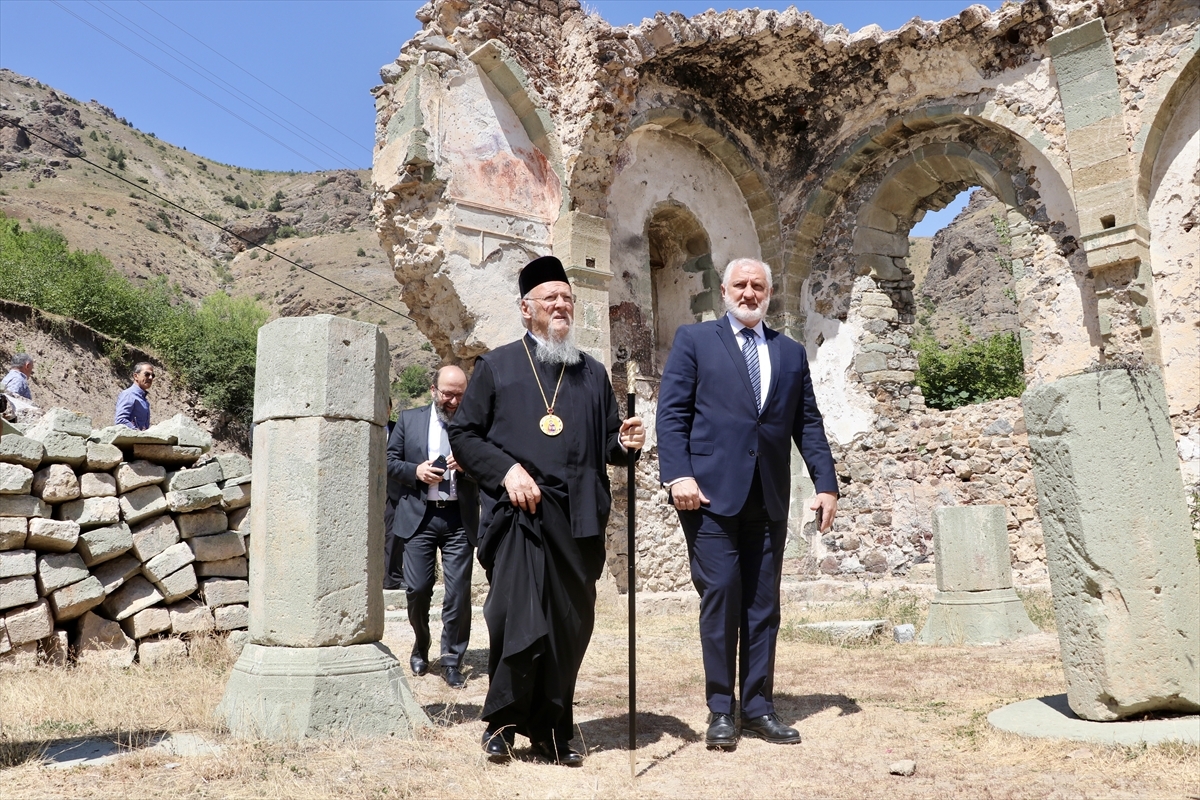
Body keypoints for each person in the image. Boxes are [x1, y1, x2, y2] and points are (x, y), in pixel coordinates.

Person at [448, 255, 645, 766]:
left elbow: (610, 447)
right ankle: (502, 725)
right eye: (550, 298)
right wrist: (506, 471)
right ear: (526, 308)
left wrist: (626, 443)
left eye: (567, 300)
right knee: (515, 618)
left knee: (568, 625)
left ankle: (554, 728)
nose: (561, 306)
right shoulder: (497, 367)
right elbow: (464, 436)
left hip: (578, 518)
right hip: (520, 516)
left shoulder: (593, 374)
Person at [657, 257, 838, 750]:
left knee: (763, 606)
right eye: (741, 285)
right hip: (709, 497)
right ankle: (721, 709)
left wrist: (826, 484)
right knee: (721, 597)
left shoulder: (790, 352)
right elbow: (671, 414)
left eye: (759, 286)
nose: (749, 293)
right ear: (724, 290)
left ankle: (757, 707)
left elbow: (808, 423)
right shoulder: (694, 341)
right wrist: (677, 476)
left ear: (770, 293)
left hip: (769, 497)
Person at [386, 366, 478, 689]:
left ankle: (452, 659)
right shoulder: (409, 420)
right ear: (433, 390)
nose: (452, 400)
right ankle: (421, 643)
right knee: (418, 589)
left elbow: (491, 466)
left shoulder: (475, 423)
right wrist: (417, 471)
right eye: (447, 393)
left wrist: (468, 467)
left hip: (458, 518)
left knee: (457, 593)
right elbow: (388, 461)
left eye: (459, 394)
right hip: (418, 518)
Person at [382, 397, 406, 592]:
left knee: (393, 535)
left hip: (394, 491)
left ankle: (391, 578)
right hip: (369, 490)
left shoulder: (399, 428)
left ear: (390, 409)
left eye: (386, 407)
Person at [115, 362, 154, 430]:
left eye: (152, 375)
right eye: (147, 374)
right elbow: (120, 420)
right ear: (136, 376)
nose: (150, 377)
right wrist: (137, 432)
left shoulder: (144, 400)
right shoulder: (129, 395)